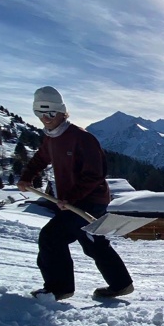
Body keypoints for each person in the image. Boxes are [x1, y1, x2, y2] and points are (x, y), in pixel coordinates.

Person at [17, 86, 134, 300]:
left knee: (52, 238)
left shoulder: (82, 138)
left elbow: (95, 174)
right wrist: (27, 176)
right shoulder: (52, 138)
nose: (45, 118)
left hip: (89, 201)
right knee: (93, 243)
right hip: (74, 202)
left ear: (63, 112)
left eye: (51, 113)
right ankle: (121, 284)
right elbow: (40, 159)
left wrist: (70, 197)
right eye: (39, 113)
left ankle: (59, 288)